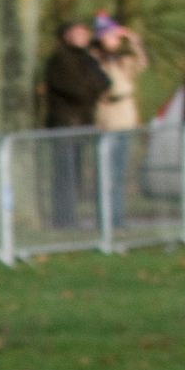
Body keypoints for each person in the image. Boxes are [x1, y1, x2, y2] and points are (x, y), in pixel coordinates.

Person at [44, 20, 111, 230]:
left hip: (83, 122)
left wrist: (90, 86)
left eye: (85, 32)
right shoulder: (60, 60)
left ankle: (72, 216)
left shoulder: (88, 59)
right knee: (65, 173)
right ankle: (64, 219)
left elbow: (105, 82)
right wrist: (91, 87)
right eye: (78, 32)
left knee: (76, 173)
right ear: (66, 35)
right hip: (65, 123)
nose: (83, 36)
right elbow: (76, 90)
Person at [93, 15, 150, 232]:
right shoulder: (98, 60)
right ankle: (107, 217)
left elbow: (141, 63)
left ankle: (117, 216)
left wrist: (133, 40)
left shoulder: (120, 61)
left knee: (119, 173)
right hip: (108, 120)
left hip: (125, 121)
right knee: (107, 173)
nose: (115, 40)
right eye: (111, 36)